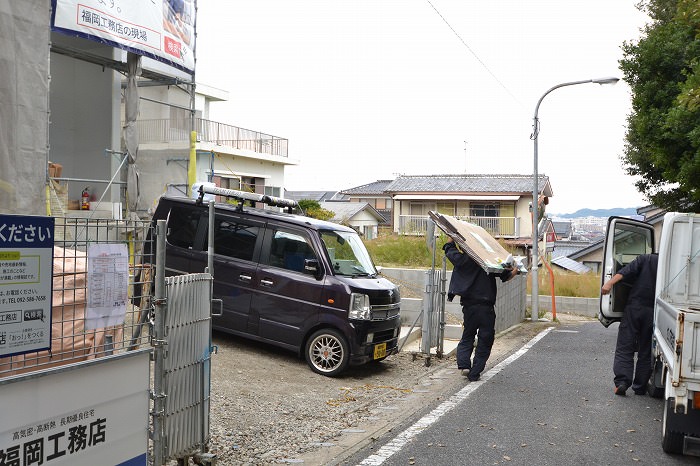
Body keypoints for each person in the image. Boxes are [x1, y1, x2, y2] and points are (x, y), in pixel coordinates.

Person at [442, 238, 518, 382]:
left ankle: (464, 365)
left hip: (469, 307)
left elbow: (450, 251)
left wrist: (451, 241)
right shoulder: (488, 262)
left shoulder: (462, 260)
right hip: (486, 308)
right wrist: (515, 269)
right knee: (485, 339)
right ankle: (475, 372)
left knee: (468, 335)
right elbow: (506, 276)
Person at [601, 253, 659, 396]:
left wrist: (609, 283)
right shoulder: (670, 263)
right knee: (646, 350)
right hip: (654, 311)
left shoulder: (645, 259)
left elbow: (625, 272)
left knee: (625, 346)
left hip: (635, 307)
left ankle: (622, 382)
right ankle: (640, 386)